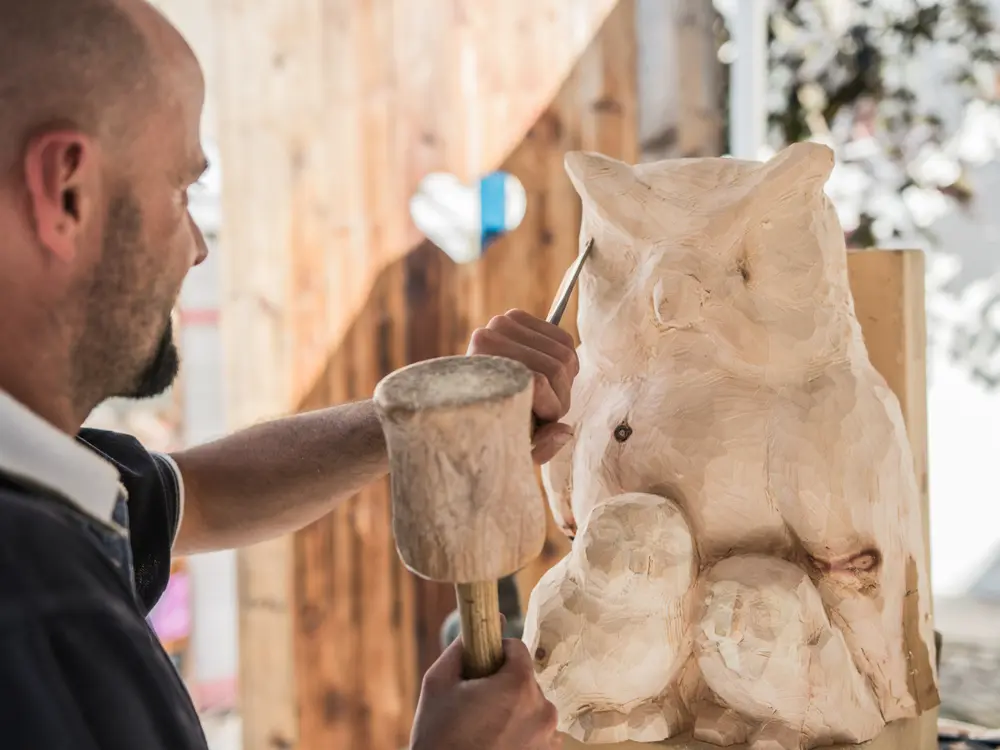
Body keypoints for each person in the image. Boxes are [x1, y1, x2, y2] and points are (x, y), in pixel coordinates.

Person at [0, 1, 577, 748]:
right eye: (180, 193)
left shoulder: (48, 480)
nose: (197, 248)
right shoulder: (34, 618)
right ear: (66, 192)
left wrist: (435, 410)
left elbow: (202, 496)